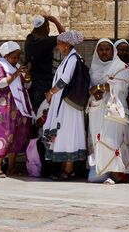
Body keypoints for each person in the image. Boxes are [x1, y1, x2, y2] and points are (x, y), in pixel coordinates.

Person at [86, 39, 129, 184]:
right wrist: (95, 90)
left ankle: (117, 173)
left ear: (113, 51)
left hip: (114, 110)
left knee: (113, 139)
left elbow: (121, 85)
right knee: (98, 139)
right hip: (97, 108)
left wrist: (100, 88)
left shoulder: (121, 67)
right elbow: (89, 87)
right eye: (101, 49)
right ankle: (102, 171)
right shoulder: (93, 68)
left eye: (107, 49)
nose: (104, 52)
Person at [42, 30, 86, 180]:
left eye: (59, 44)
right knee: (64, 134)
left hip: (68, 104)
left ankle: (69, 168)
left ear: (66, 45)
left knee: (68, 134)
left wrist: (51, 93)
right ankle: (65, 167)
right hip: (63, 104)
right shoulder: (68, 59)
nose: (57, 47)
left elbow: (64, 80)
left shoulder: (73, 59)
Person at [0, 41, 34, 178]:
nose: (17, 60)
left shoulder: (18, 67)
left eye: (19, 57)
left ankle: (11, 167)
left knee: (16, 133)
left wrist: (27, 75)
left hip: (18, 106)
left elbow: (27, 85)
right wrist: (16, 74)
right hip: (4, 105)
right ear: (6, 56)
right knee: (3, 132)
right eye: (14, 57)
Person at [25, 15, 65, 110]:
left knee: (35, 109)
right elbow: (64, 36)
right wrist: (55, 21)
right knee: (44, 110)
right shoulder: (46, 41)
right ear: (45, 27)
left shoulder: (29, 39)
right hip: (44, 81)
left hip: (32, 81)